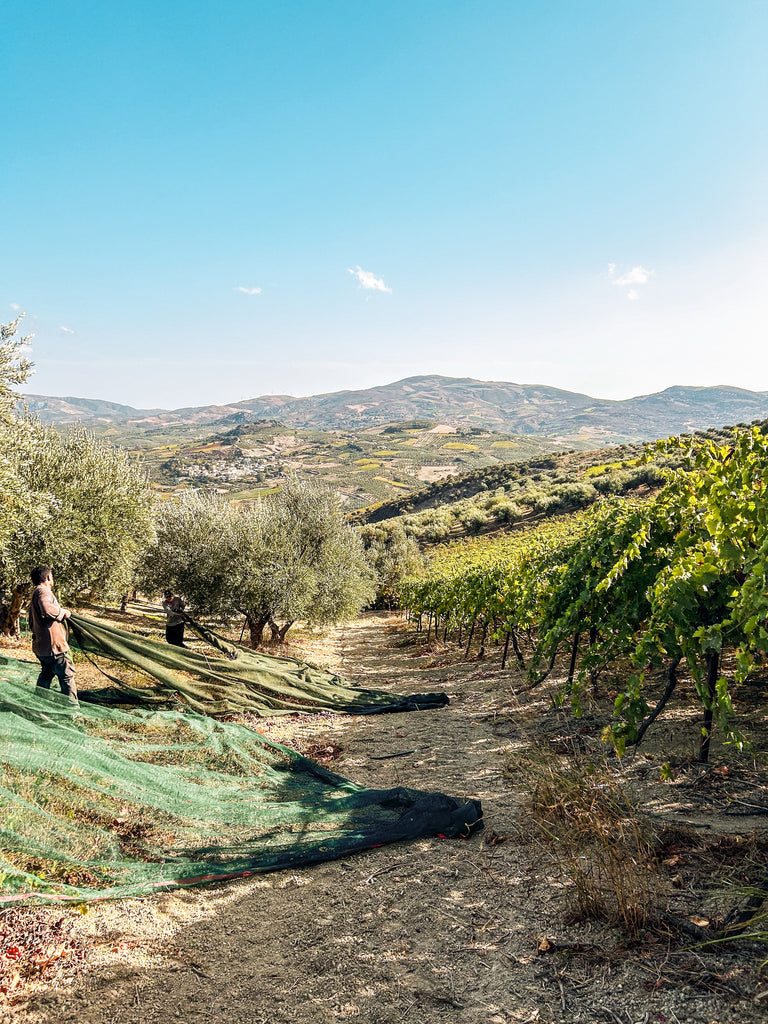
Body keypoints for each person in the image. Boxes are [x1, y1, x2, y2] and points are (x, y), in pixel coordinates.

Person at [28, 566, 78, 705]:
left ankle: (37, 708)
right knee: (67, 677)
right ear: (48, 577)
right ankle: (71, 713)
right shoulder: (44, 592)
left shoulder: (35, 593)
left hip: (42, 647)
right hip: (54, 648)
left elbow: (31, 621)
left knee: (46, 675)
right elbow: (47, 609)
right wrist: (63, 612)